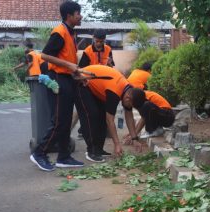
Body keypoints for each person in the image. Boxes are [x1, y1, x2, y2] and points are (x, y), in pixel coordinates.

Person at [30, 1, 84, 171]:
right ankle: (39, 153)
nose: (80, 16)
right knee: (59, 121)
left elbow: (67, 59)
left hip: (67, 79)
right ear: (69, 16)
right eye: (78, 14)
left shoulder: (70, 33)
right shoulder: (60, 32)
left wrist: (77, 74)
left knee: (66, 121)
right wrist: (68, 66)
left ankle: (64, 156)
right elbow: (45, 55)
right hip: (58, 79)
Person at [75, 65, 143, 162]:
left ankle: (98, 149)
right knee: (92, 115)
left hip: (98, 88)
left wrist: (134, 138)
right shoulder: (114, 93)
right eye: (130, 104)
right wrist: (117, 144)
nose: (129, 107)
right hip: (82, 82)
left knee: (102, 117)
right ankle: (91, 151)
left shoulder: (129, 90)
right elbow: (110, 120)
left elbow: (129, 116)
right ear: (128, 98)